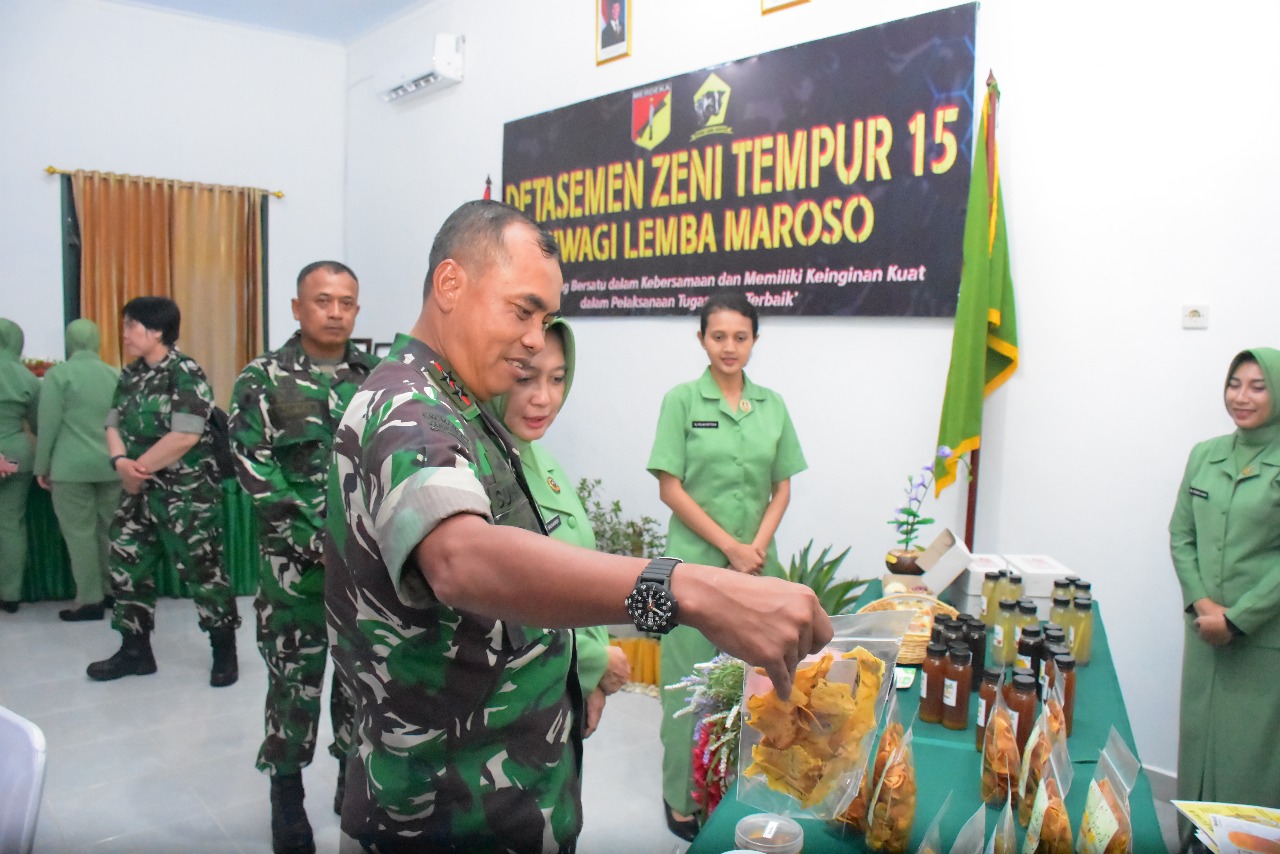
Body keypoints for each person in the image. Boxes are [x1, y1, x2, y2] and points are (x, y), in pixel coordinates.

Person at [325, 199, 830, 853]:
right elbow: (461, 557)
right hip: (443, 815)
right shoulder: (408, 408)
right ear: (450, 284)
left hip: (506, 794)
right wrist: (685, 587)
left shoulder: (463, 407)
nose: (537, 339)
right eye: (523, 310)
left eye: (546, 319)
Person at [229, 261, 378, 854]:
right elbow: (252, 465)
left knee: (360, 681)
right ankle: (286, 797)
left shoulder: (377, 379)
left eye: (346, 302)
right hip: (294, 575)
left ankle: (350, 779)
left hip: (364, 572)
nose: (335, 312)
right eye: (322, 300)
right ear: (297, 308)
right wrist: (315, 537)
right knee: (294, 684)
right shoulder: (262, 379)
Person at [647, 291, 807, 840]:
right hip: (691, 570)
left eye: (741, 337)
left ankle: (742, 795)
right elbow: (670, 488)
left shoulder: (773, 405)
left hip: (758, 570)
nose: (729, 347)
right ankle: (681, 798)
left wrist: (754, 547)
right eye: (718, 336)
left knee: (756, 687)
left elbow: (782, 488)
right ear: (702, 339)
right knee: (686, 690)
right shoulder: (681, 401)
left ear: (755, 340)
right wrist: (731, 548)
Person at [486, 317, 632, 738]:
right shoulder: (487, 468)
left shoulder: (537, 456)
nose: (544, 398)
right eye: (525, 378)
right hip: (514, 715)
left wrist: (592, 673)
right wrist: (593, 662)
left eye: (557, 378)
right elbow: (506, 600)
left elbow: (577, 567)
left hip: (561, 695)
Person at [87, 296, 241, 686]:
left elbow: (186, 434)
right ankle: (135, 651)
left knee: (204, 572)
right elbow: (112, 424)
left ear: (156, 331)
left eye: (131, 326)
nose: (124, 334)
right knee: (127, 566)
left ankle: (224, 652)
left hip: (186, 495)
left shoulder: (185, 372)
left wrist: (136, 469)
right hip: (137, 491)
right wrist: (120, 463)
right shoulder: (130, 375)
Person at [1170, 347, 1280, 820]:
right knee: (1198, 740)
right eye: (1234, 384)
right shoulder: (1205, 454)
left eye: (1258, 387)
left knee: (1249, 757)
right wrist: (1202, 603)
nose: (1241, 397)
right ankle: (1191, 839)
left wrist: (1237, 619)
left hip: (1262, 639)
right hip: (1204, 632)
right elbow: (1181, 535)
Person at [33, 319, 121, 621]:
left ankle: (89, 599)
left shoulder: (59, 375)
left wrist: (41, 466)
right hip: (111, 464)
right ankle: (112, 592)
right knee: (109, 530)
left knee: (79, 533)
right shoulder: (115, 374)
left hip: (70, 467)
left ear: (69, 342)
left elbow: (48, 425)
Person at [0, 318, 40, 614]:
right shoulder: (27, 378)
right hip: (15, 457)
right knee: (11, 523)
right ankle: (10, 594)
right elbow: (38, 424)